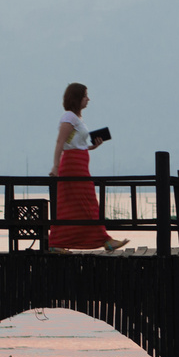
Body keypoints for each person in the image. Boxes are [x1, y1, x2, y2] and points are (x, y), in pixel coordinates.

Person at [48, 82, 128, 251]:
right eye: (85, 96)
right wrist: (55, 166)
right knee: (84, 201)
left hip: (80, 161)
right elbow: (60, 142)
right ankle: (102, 239)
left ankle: (60, 241)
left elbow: (75, 144)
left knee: (79, 203)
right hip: (72, 165)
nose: (88, 99)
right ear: (77, 98)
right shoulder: (68, 117)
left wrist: (92, 146)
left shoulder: (76, 119)